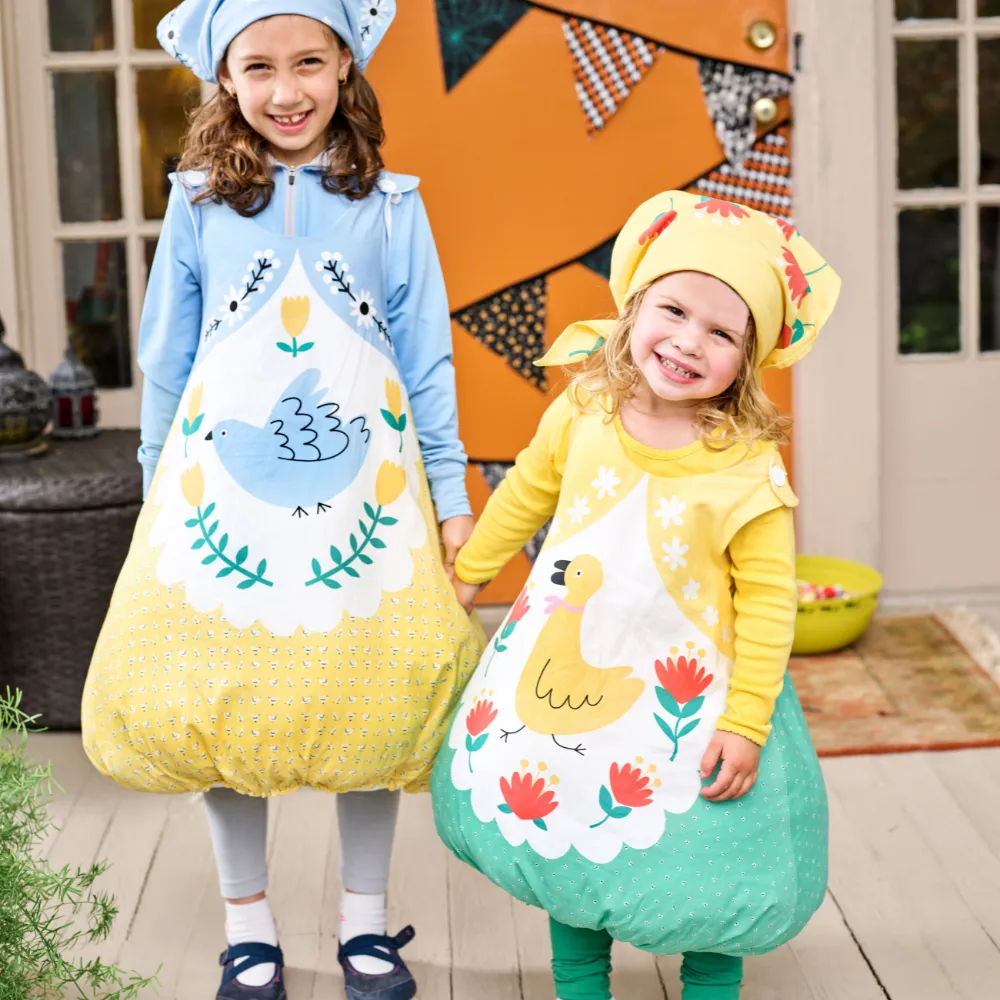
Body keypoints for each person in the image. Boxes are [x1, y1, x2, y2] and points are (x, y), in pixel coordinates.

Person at [80, 3, 484, 999]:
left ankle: (361, 924)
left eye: (309, 61)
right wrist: (153, 491)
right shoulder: (198, 202)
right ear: (225, 78)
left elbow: (427, 361)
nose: (287, 89)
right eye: (258, 67)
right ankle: (247, 924)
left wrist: (450, 493)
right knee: (224, 698)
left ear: (347, 63)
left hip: (368, 503)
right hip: (220, 497)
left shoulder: (393, 204)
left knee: (371, 708)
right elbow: (167, 357)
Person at [432, 190, 840, 1000]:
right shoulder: (584, 410)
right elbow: (524, 498)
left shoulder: (746, 467)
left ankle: (710, 987)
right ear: (634, 306)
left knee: (712, 857)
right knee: (572, 825)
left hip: (687, 696)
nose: (689, 341)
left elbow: (767, 603)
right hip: (567, 673)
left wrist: (746, 721)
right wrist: (469, 571)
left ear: (749, 358)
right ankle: (580, 984)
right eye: (675, 309)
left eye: (722, 332)